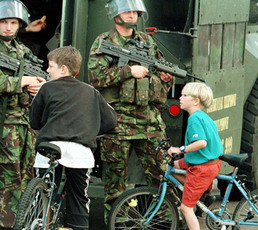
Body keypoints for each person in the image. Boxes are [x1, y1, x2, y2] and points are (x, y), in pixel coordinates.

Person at [87, 0, 174, 223]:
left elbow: (159, 67)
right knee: (115, 182)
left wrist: (165, 78)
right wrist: (128, 71)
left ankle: (164, 221)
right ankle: (119, 223)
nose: (132, 15)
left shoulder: (147, 41)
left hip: (148, 122)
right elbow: (96, 78)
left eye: (135, 11)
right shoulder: (104, 42)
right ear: (115, 14)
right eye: (127, 11)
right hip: (118, 123)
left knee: (161, 175)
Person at [0, 0, 46, 229]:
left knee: (26, 180)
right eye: (4, 22)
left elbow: (40, 78)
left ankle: (22, 224)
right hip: (4, 125)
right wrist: (23, 81)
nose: (8, 27)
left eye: (13, 22)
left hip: (26, 125)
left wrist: (38, 85)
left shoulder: (23, 51)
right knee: (6, 183)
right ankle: (1, 225)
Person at [29, 46, 117, 230]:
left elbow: (34, 121)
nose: (47, 70)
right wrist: (91, 130)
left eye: (50, 66)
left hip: (50, 145)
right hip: (80, 151)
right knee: (78, 195)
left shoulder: (46, 88)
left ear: (62, 69)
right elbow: (111, 120)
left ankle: (38, 220)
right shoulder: (91, 92)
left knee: (43, 192)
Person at [167, 82, 223, 230]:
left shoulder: (194, 119)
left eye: (185, 95)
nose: (180, 98)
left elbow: (201, 142)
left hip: (202, 167)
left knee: (186, 209)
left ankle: (199, 191)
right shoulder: (203, 116)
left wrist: (180, 149)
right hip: (205, 161)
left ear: (196, 101)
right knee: (172, 166)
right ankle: (201, 191)